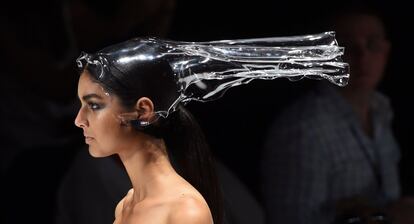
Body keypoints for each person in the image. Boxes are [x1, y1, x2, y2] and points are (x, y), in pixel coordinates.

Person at [260, 5, 414, 224]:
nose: (362, 56)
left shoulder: (381, 110)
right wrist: (388, 218)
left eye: (372, 44)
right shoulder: (303, 129)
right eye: (346, 46)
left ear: (386, 51)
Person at [73, 39, 223, 224]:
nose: (79, 120)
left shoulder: (185, 213)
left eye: (94, 105)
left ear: (143, 111)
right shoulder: (125, 206)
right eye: (82, 105)